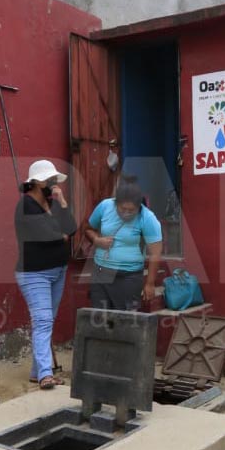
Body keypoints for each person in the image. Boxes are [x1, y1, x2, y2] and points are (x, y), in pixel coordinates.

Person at [15, 160, 76, 391]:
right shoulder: (25, 206)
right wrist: (59, 234)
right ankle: (45, 374)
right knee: (43, 320)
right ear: (37, 182)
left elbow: (70, 229)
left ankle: (36, 371)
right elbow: (48, 235)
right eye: (49, 180)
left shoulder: (52, 204)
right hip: (34, 274)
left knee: (46, 321)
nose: (53, 183)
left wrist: (61, 202)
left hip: (57, 270)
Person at [85, 177, 163, 312]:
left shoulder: (148, 218)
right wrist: (97, 240)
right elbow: (87, 229)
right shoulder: (105, 206)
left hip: (129, 277)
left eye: (131, 210)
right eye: (122, 209)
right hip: (102, 273)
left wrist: (150, 284)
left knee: (126, 321)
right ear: (116, 203)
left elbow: (155, 253)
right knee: (99, 318)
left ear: (139, 206)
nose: (126, 213)